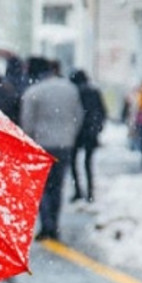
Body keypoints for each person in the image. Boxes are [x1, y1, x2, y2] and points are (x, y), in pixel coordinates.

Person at [19, 57, 83, 241]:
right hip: (65, 143)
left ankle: (47, 224)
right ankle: (54, 223)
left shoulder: (34, 92)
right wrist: (70, 135)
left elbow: (27, 122)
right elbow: (78, 116)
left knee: (43, 187)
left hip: (42, 144)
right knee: (58, 186)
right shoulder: (70, 89)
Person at [69, 69, 107, 203]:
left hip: (77, 131)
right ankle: (90, 192)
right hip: (91, 131)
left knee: (73, 162)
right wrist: (98, 127)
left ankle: (78, 190)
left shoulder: (74, 92)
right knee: (88, 163)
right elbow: (102, 111)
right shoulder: (94, 92)